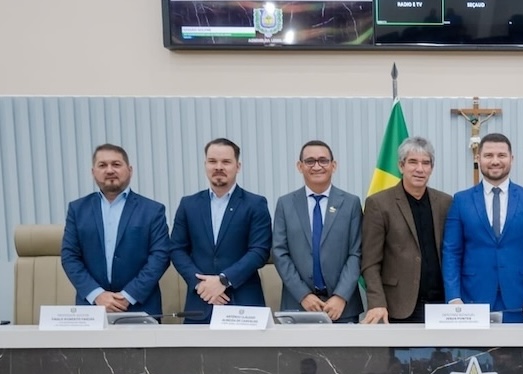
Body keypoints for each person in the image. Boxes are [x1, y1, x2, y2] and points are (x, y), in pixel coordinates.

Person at [442, 132, 523, 323]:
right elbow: (451, 252)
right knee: (475, 354)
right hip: (471, 301)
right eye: (488, 155)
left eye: (501, 155)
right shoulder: (461, 200)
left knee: (520, 354)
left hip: (522, 302)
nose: (495, 161)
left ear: (512, 159)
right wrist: (453, 297)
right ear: (478, 159)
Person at [61, 144, 170, 316]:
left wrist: (128, 296)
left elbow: (160, 257)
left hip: (140, 306)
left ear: (130, 170)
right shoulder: (77, 209)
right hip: (92, 307)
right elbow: (69, 256)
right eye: (102, 165)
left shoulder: (152, 210)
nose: (110, 170)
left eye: (116, 164)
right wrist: (97, 295)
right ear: (93, 172)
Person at [170, 138, 272, 321]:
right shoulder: (189, 204)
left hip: (243, 304)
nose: (219, 167)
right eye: (212, 161)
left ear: (237, 166)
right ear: (205, 165)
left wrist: (224, 280)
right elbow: (177, 249)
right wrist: (201, 285)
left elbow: (260, 251)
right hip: (200, 302)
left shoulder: (255, 204)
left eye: (226, 162)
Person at [362, 137, 452, 324]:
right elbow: (370, 261)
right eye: (413, 162)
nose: (420, 169)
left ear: (431, 169)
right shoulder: (379, 204)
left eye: (425, 163)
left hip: (442, 304)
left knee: (443, 355)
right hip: (398, 306)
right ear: (401, 166)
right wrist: (377, 302)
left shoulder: (445, 202)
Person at [272, 141, 363, 323]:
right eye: (310, 161)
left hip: (342, 308)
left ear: (333, 165)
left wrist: (341, 296)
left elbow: (357, 252)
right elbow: (279, 253)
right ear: (300, 166)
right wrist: (303, 294)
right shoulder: (285, 203)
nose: (317, 166)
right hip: (298, 305)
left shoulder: (351, 203)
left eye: (323, 160)